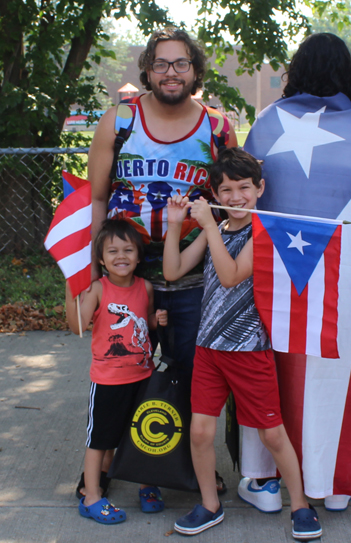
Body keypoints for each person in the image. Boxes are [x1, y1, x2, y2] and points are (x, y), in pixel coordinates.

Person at [84, 26, 237, 498]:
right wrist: (94, 274)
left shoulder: (216, 125)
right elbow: (95, 199)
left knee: (193, 372)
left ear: (195, 70)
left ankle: (189, 465)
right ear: (148, 69)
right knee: (122, 371)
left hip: (192, 268)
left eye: (181, 64)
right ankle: (106, 465)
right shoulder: (120, 119)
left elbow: (233, 199)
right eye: (162, 64)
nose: (172, 73)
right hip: (127, 269)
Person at [241, 32, 351, 512]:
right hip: (341, 275)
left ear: (296, 70)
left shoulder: (266, 124)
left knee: (267, 365)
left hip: (273, 267)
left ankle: (263, 478)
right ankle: (334, 479)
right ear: (346, 72)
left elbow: (244, 203)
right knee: (336, 365)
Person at [163, 147, 322, 540]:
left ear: (260, 188)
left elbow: (232, 274)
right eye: (226, 189)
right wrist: (174, 223)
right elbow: (172, 271)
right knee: (199, 432)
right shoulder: (215, 228)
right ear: (215, 193)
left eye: (244, 188)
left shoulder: (264, 230)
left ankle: (300, 505)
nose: (235, 197)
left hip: (250, 349)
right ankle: (209, 504)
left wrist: (210, 227)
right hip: (208, 348)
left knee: (271, 432)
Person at [65, 219, 168, 524]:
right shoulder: (98, 288)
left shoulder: (145, 286)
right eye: (112, 251)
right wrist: (72, 289)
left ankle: (148, 485)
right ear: (101, 259)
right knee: (100, 439)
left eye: (128, 249)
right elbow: (77, 326)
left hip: (142, 377)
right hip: (109, 381)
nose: (120, 256)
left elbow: (145, 320)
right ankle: (93, 495)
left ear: (138, 256)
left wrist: (156, 319)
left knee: (144, 435)